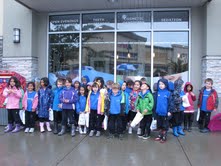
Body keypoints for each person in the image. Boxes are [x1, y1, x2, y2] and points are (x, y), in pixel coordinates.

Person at [154, 78, 172, 143]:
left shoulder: (168, 93)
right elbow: (155, 103)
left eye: (162, 84)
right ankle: (159, 135)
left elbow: (171, 103)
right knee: (159, 125)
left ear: (166, 85)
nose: (161, 85)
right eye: (160, 84)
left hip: (165, 113)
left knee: (165, 125)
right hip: (158, 112)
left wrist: (169, 111)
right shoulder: (157, 93)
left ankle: (164, 136)